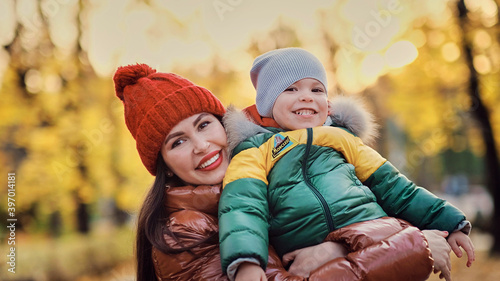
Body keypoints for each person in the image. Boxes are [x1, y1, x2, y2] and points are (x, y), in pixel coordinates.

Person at [113, 63, 443, 281]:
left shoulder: (270, 183)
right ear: (165, 168)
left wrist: (338, 247)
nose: (201, 145)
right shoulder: (185, 230)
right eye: (178, 142)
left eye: (204, 125)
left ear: (226, 125)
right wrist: (414, 247)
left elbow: (371, 210)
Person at [219, 48, 476, 281]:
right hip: (312, 262)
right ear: (267, 103)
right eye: (291, 89)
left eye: (316, 90)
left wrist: (450, 223)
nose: (306, 97)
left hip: (376, 246)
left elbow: (395, 187)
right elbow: (243, 206)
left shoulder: (342, 139)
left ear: (327, 103)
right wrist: (246, 261)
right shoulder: (254, 150)